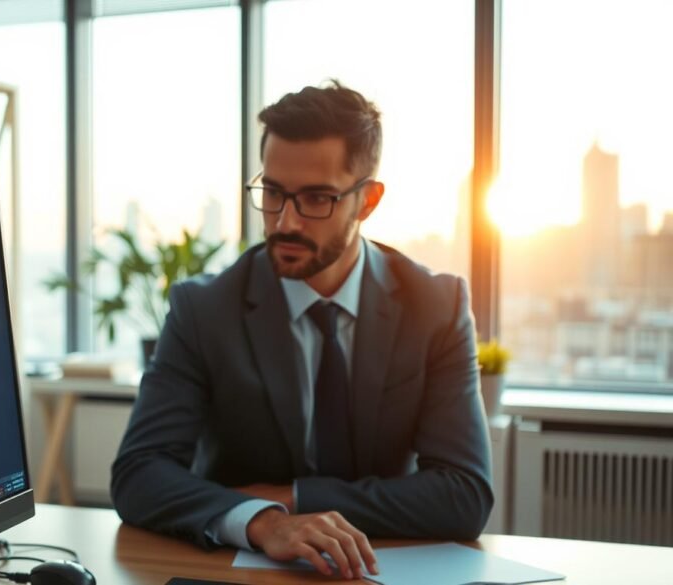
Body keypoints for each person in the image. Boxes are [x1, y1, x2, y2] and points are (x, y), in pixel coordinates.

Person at [110, 80, 493, 580]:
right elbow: (139, 473)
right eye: (272, 192)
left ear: (368, 200)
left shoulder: (436, 306)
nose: (285, 221)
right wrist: (263, 522)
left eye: (317, 198)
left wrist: (295, 497)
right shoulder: (204, 309)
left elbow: (464, 493)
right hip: (245, 572)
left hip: (384, 571)